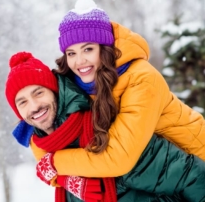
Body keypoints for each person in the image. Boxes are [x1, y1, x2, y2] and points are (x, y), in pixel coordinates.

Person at [32, 0, 205, 187]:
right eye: (71, 53)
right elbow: (40, 129)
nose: (79, 61)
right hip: (160, 177)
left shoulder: (142, 78)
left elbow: (119, 157)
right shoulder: (78, 85)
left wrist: (55, 164)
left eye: (88, 49)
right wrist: (59, 173)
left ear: (104, 48)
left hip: (196, 167)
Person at [5, 51, 205, 202]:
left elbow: (193, 177)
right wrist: (63, 178)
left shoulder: (105, 129)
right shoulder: (46, 147)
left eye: (39, 93)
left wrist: (57, 167)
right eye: (22, 102)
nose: (33, 106)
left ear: (55, 91)